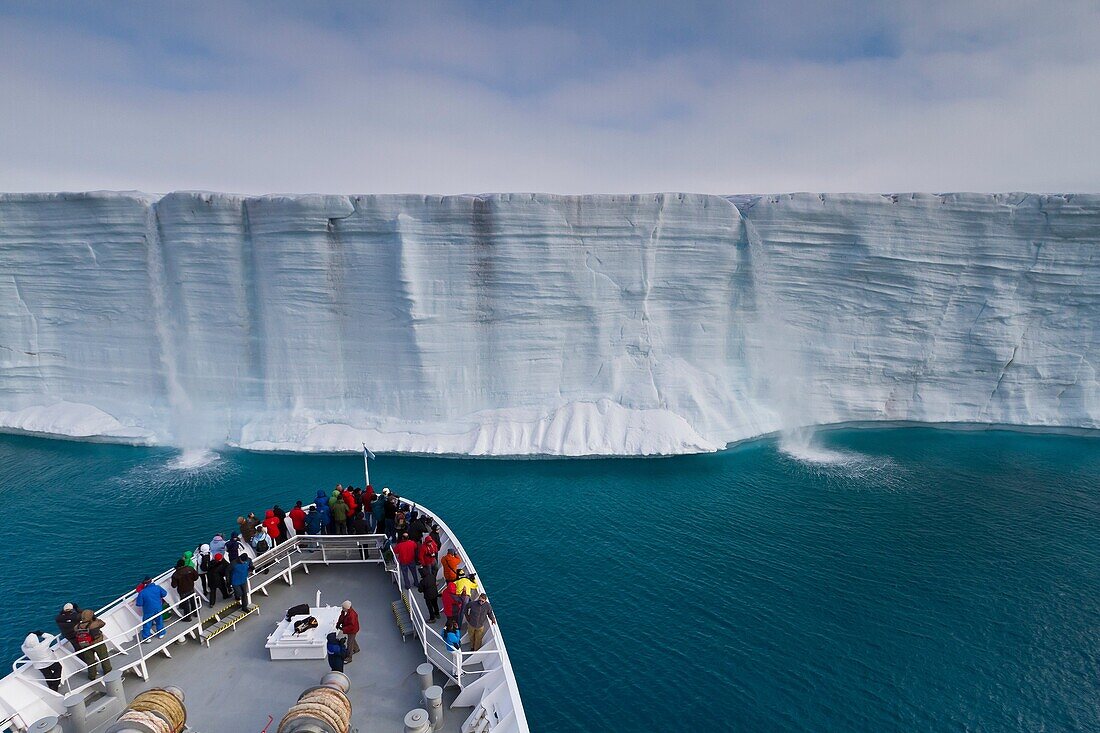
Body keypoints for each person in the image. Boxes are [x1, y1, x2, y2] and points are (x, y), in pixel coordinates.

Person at [73, 609, 112, 680]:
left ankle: (92, 676)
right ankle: (107, 671)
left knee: (90, 662)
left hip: (85, 645)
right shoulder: (95, 624)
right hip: (97, 643)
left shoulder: (77, 627)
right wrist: (95, 618)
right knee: (104, 658)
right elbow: (103, 623)